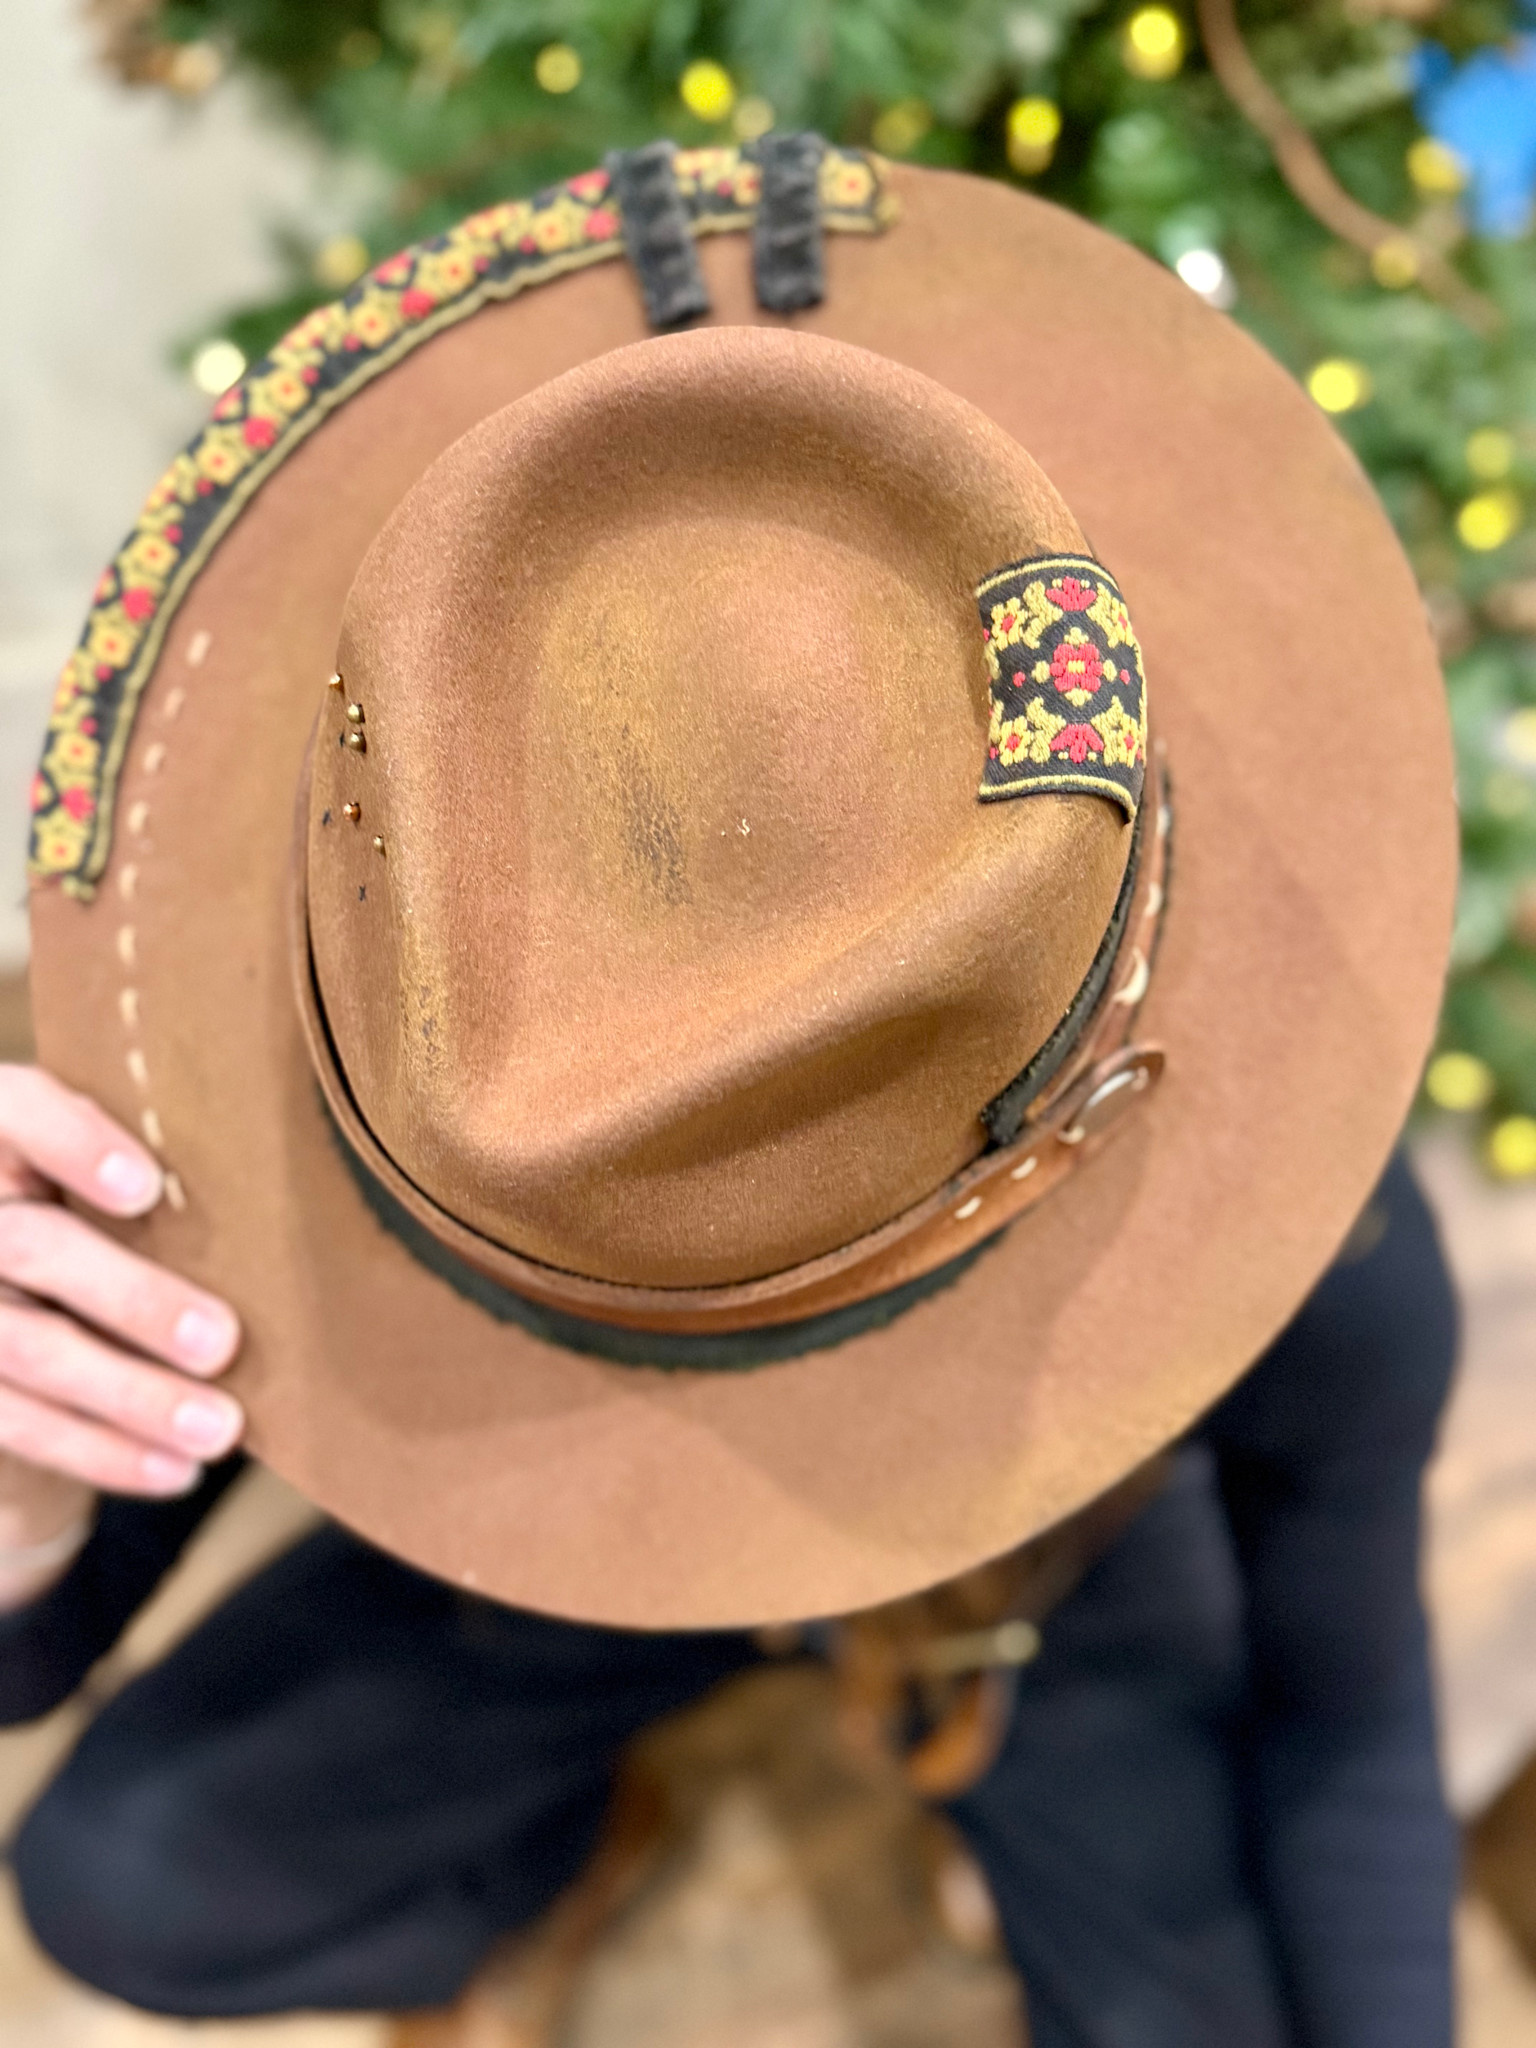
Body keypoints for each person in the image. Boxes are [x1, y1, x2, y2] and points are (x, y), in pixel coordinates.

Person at [6, 136, 1461, 2046]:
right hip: (534, 1482)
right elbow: (36, 1654)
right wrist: (28, 1506)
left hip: (1044, 1520)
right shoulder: (227, 1058)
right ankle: (574, 1833)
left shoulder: (1320, 1260)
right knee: (125, 1887)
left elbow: (1350, 1707)